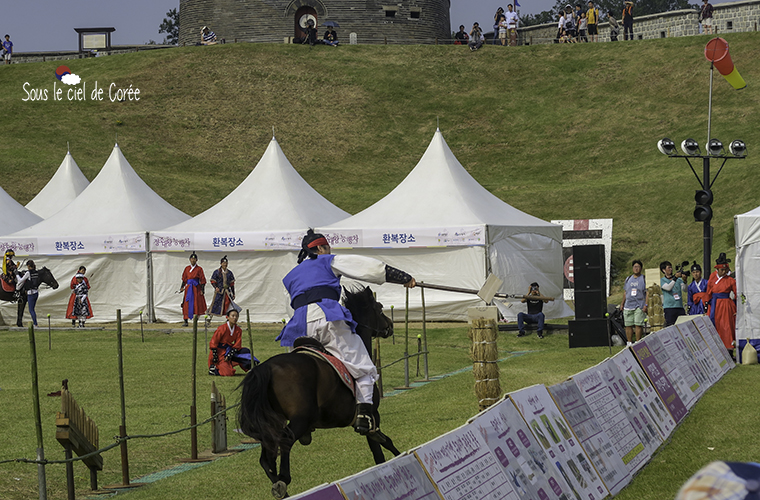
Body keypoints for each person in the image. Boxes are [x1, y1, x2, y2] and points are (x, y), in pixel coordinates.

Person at [276, 230, 416, 435]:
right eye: (328, 247)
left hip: (297, 326)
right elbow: (365, 267)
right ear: (320, 248)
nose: (330, 250)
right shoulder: (327, 261)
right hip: (326, 317)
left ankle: (302, 419)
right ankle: (365, 413)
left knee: (299, 374)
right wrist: (402, 277)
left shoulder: (290, 276)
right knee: (363, 365)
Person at [703, 253, 737, 354]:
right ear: (717, 270)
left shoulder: (730, 280)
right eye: (721, 270)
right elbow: (708, 291)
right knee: (715, 325)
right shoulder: (712, 277)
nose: (724, 272)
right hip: (714, 304)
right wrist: (707, 305)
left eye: (725, 270)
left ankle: (728, 349)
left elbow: (736, 293)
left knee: (726, 326)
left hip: (726, 304)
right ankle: (716, 349)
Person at [208, 310, 255, 376]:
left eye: (236, 316)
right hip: (219, 352)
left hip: (229, 350)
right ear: (227, 317)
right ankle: (214, 370)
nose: (235, 318)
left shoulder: (238, 330)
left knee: (245, 352)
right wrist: (215, 356)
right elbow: (214, 342)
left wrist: (230, 354)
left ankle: (249, 367)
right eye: (232, 316)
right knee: (228, 373)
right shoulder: (222, 329)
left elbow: (238, 344)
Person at [620, 260, 647, 346]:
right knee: (628, 324)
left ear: (641, 268)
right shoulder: (628, 279)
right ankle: (629, 342)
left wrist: (646, 304)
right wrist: (622, 303)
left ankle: (638, 342)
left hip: (639, 305)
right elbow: (625, 292)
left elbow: (648, 293)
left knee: (638, 324)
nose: (636, 268)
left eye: (638, 267)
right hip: (628, 305)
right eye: (635, 267)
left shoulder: (643, 278)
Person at [207, 255, 238, 320]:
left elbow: (232, 284)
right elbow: (213, 281)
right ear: (221, 264)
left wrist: (233, 293)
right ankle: (209, 318)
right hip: (219, 291)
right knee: (215, 304)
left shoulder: (229, 273)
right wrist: (216, 287)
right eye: (223, 263)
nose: (225, 264)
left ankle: (229, 319)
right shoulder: (217, 272)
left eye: (226, 263)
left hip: (227, 292)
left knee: (228, 305)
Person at [180, 252, 207, 327]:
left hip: (196, 288)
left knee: (196, 303)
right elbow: (184, 279)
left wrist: (202, 289)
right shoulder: (187, 268)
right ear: (189, 259)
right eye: (192, 259)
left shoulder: (199, 269)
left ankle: (195, 320)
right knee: (186, 303)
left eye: (194, 259)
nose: (193, 260)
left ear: (197, 260)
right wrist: (182, 287)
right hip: (188, 288)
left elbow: (202, 280)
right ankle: (186, 320)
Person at [660, 261, 687, 326]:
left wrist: (685, 281)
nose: (671, 269)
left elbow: (685, 290)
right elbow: (668, 288)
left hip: (679, 306)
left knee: (682, 326)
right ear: (664, 270)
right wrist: (675, 278)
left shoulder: (679, 280)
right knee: (671, 326)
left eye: (671, 267)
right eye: (668, 268)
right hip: (669, 308)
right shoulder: (662, 280)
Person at [16, 260, 41, 327]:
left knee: (31, 310)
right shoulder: (36, 272)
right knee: (33, 309)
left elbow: (21, 280)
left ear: (29, 266)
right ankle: (35, 324)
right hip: (36, 293)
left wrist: (17, 274)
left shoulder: (28, 273)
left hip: (31, 293)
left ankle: (35, 324)